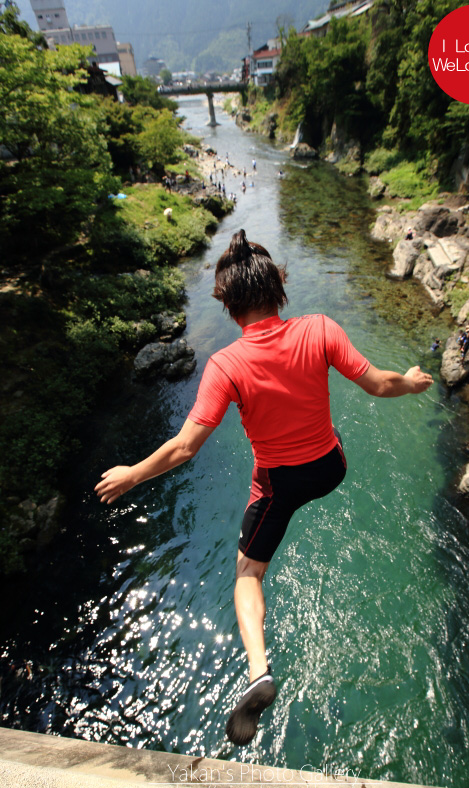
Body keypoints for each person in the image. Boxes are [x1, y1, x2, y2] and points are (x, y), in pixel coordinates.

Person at [95, 230, 433, 747]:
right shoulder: (320, 328)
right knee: (321, 438)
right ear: (279, 289)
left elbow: (185, 448)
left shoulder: (226, 365)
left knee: (247, 574)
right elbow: (378, 384)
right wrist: (410, 380)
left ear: (228, 307)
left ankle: (259, 673)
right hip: (328, 467)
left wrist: (132, 474)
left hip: (278, 483)